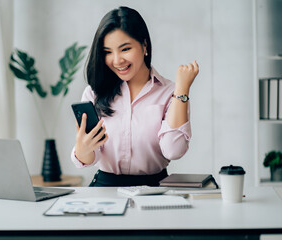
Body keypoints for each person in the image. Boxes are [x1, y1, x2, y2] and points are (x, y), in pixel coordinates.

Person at [70, 6, 199, 187]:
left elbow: (173, 150)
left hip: (154, 189)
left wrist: (182, 89)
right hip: (105, 189)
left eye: (125, 49)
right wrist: (82, 149)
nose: (117, 60)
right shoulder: (94, 92)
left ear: (144, 45)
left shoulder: (170, 92)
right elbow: (91, 156)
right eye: (108, 52)